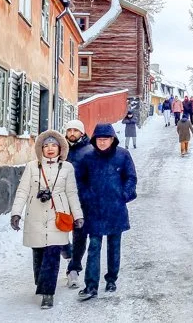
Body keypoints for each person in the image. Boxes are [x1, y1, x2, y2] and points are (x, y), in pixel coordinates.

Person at [10, 130, 84, 309]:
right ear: (40, 149)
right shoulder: (31, 167)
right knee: (39, 254)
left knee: (52, 252)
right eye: (46, 146)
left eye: (54, 145)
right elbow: (22, 191)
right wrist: (16, 213)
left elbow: (72, 193)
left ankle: (48, 293)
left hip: (58, 214)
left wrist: (78, 215)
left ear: (60, 148)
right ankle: (41, 283)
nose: (50, 149)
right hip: (35, 214)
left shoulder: (67, 168)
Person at [78, 124, 138, 301]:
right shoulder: (87, 157)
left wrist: (124, 194)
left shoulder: (123, 155)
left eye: (105, 139)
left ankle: (111, 279)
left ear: (112, 139)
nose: (102, 142)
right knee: (94, 246)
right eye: (99, 139)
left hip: (115, 208)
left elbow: (131, 177)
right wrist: (87, 196)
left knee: (114, 245)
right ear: (94, 140)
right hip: (94, 209)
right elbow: (80, 180)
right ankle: (91, 285)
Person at [62, 120, 93, 289]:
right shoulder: (60, 150)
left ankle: (74, 268)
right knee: (56, 230)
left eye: (76, 130)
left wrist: (89, 195)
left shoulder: (89, 151)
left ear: (82, 133)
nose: (72, 133)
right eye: (69, 130)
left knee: (80, 234)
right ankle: (66, 249)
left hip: (82, 200)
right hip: (60, 199)